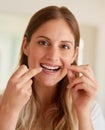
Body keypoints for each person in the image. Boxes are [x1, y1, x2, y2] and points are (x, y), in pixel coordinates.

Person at [0, 5, 105, 130]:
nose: (53, 56)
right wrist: (8, 112)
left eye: (64, 46)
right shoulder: (3, 105)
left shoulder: (90, 111)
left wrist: (83, 113)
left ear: (74, 54)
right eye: (43, 43)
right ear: (26, 46)